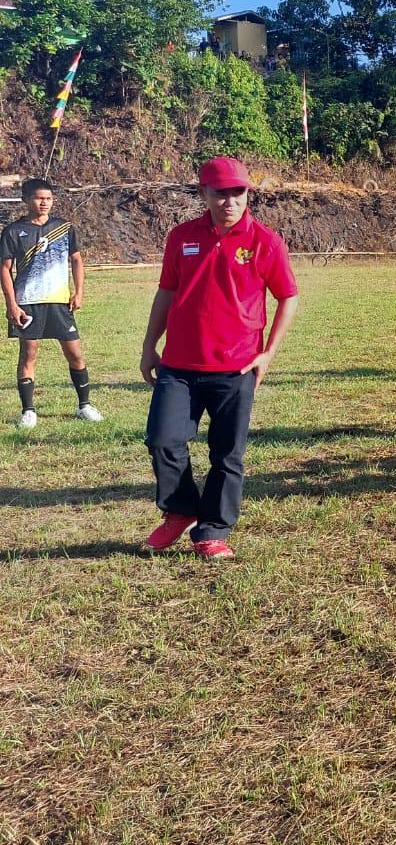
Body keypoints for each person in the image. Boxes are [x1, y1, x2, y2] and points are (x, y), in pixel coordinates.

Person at [138, 156, 299, 559]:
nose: (230, 200)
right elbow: (167, 293)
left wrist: (268, 354)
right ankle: (180, 511)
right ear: (203, 193)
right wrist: (148, 345)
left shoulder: (265, 241)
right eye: (220, 192)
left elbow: (288, 297)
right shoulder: (181, 237)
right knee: (163, 440)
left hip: (236, 366)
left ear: (248, 193)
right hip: (178, 364)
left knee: (227, 455)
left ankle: (212, 530)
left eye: (237, 192)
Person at [1, 177, 103, 428]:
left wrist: (78, 292)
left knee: (75, 353)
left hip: (59, 302)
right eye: (38, 198)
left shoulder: (64, 227)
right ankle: (28, 411)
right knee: (29, 354)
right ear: (25, 200)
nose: (44, 203)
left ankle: (84, 405)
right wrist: (12, 305)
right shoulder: (13, 231)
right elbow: (5, 269)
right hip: (28, 302)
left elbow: (77, 260)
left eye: (48, 198)